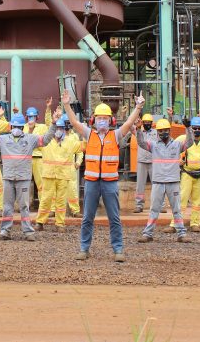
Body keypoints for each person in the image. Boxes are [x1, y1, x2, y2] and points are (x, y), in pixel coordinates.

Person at [61, 89, 145, 263]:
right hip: (92, 183)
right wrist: (67, 105)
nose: (102, 121)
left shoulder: (115, 136)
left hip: (109, 183)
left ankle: (118, 249)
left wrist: (138, 108)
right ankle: (84, 249)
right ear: (93, 120)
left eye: (105, 118)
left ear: (110, 121)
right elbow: (74, 122)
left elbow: (129, 123)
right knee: (87, 218)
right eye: (99, 118)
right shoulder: (89, 134)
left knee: (114, 218)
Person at [0, 112, 56, 241]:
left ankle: (28, 232)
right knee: (7, 206)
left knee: (24, 206)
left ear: (22, 128)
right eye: (14, 126)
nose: (16, 129)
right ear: (11, 127)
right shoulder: (3, 140)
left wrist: (53, 124)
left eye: (19, 127)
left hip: (23, 179)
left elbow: (46, 140)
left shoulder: (30, 139)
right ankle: (5, 231)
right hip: (8, 178)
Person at [137, 119, 192, 243]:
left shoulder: (177, 145)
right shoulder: (153, 145)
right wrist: (138, 129)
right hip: (158, 182)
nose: (163, 133)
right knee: (154, 209)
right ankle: (148, 234)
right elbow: (141, 143)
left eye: (165, 130)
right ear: (157, 132)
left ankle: (181, 234)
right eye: (160, 131)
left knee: (177, 209)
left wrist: (188, 128)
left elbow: (189, 143)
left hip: (173, 182)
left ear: (169, 130)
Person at [164, 116, 200, 233]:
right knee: (181, 200)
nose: (197, 130)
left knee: (197, 202)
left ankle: (195, 223)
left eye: (199, 128)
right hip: (187, 174)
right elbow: (172, 151)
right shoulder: (184, 139)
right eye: (194, 128)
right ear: (191, 128)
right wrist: (178, 161)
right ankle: (175, 224)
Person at [35, 112, 84, 232]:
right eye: (57, 128)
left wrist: (86, 131)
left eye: (61, 128)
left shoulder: (70, 141)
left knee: (61, 201)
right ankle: (40, 222)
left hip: (63, 176)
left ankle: (60, 224)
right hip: (49, 175)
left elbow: (83, 147)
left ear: (64, 129)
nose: (59, 130)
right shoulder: (47, 142)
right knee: (46, 199)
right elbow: (34, 143)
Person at [24, 100, 53, 209]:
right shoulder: (25, 127)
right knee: (24, 184)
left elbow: (49, 124)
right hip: (26, 158)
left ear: (37, 117)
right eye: (29, 117)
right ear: (26, 117)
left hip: (39, 158)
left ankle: (44, 207)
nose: (31, 119)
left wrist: (48, 109)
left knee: (41, 185)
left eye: (33, 117)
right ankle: (24, 206)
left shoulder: (41, 127)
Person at [133, 113, 156, 213]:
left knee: (156, 184)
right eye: (145, 122)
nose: (147, 124)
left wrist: (170, 117)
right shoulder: (138, 131)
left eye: (149, 122)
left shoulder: (156, 133)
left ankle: (159, 205)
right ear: (142, 123)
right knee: (140, 185)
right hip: (141, 161)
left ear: (152, 123)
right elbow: (129, 126)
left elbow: (167, 129)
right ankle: (139, 205)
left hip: (153, 161)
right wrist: (125, 115)